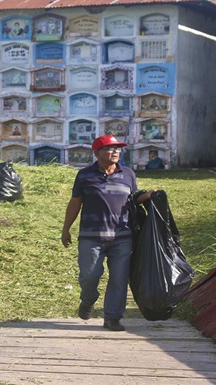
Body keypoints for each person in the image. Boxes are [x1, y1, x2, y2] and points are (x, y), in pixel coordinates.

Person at [60, 135, 154, 332]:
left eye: (118, 149)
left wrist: (149, 196)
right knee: (89, 276)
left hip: (122, 237)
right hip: (91, 237)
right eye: (110, 149)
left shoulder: (128, 174)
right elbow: (75, 202)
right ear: (96, 153)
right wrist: (66, 228)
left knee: (119, 278)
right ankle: (88, 299)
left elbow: (133, 200)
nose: (115, 152)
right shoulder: (85, 175)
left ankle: (112, 317)